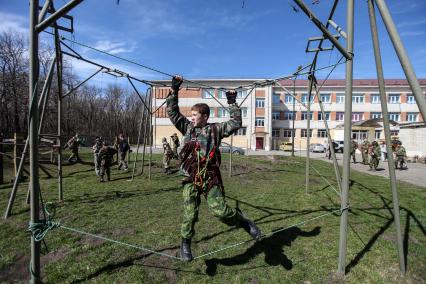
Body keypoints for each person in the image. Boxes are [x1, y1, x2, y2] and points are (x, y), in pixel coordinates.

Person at [166, 75, 261, 261]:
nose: (191, 118)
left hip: (210, 178)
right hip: (189, 178)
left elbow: (235, 122)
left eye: (195, 116)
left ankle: (244, 222)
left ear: (205, 117)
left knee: (221, 212)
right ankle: (185, 243)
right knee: (190, 214)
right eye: (191, 115)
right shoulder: (187, 128)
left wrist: (232, 102)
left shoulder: (215, 130)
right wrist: (174, 90)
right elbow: (173, 112)